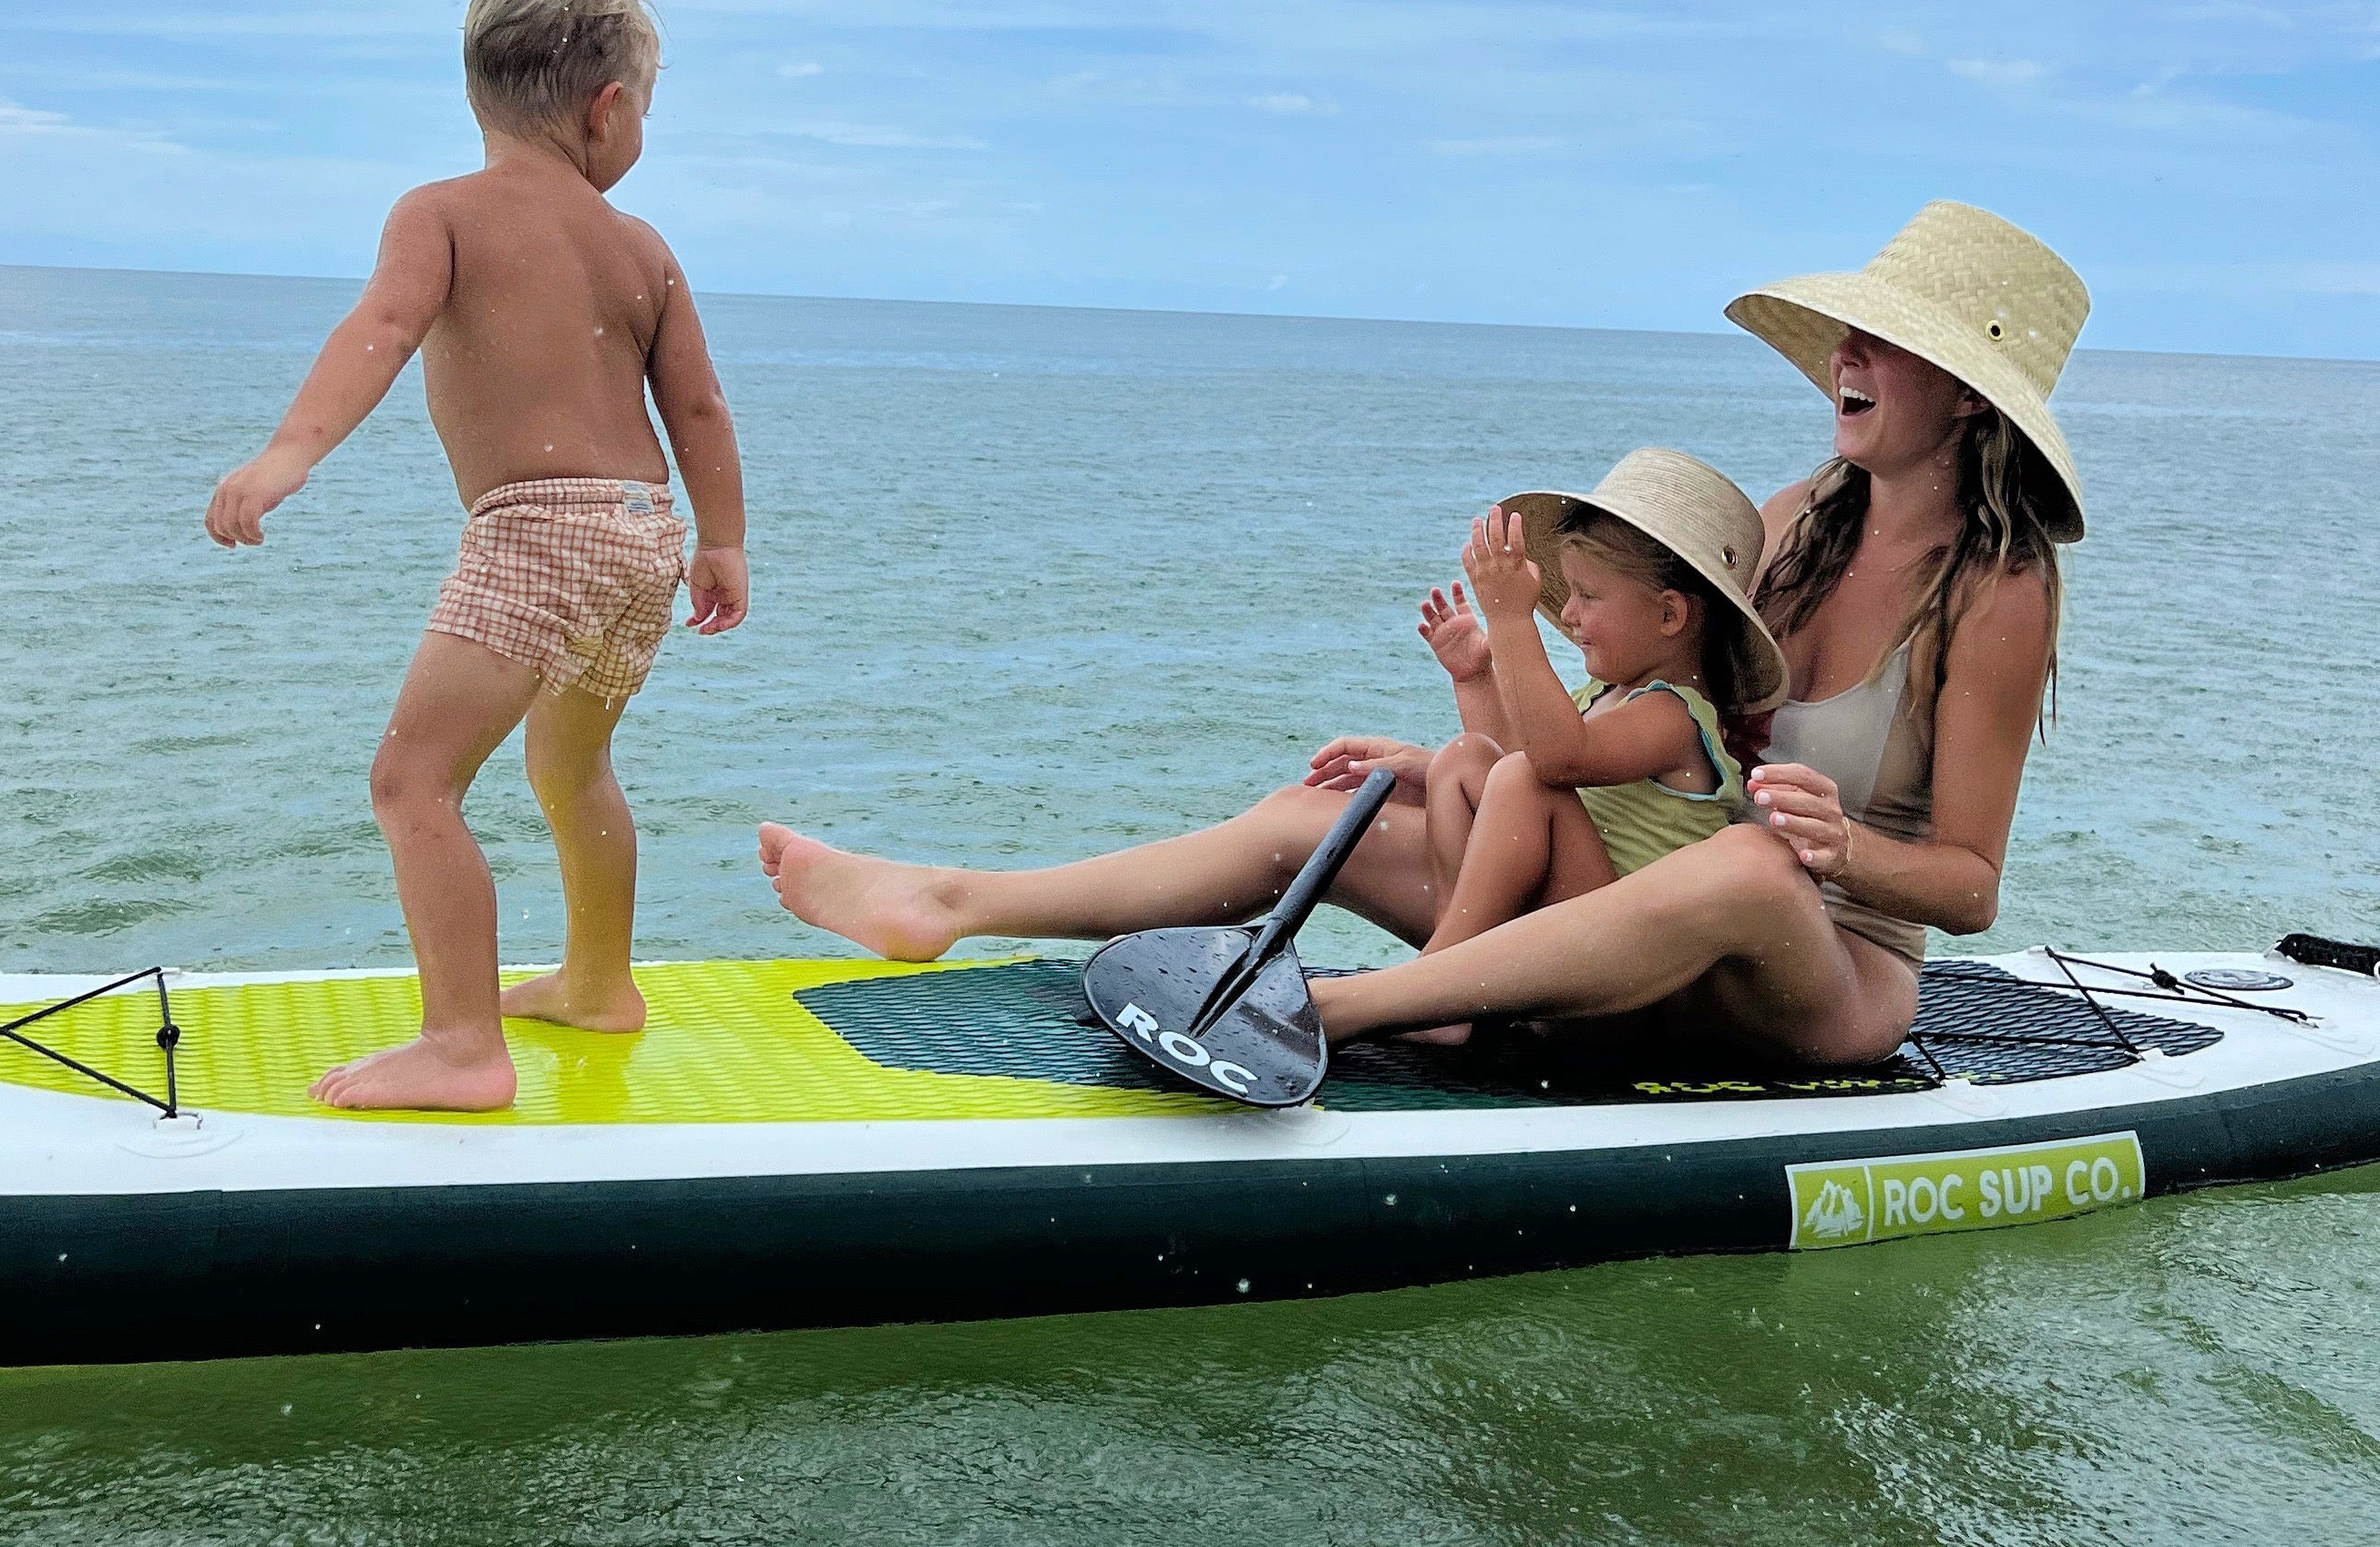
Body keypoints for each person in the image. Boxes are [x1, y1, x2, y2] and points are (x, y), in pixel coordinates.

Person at [759, 200, 2084, 1073]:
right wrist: (1470, 741)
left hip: (1819, 976)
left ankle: (1334, 1006)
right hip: (1650, 912)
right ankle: (951, 900)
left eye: (1887, 342)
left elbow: (1969, 884)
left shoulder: (1995, 592)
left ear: (1968, 398)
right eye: (1854, 331)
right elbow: (1641, 745)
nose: (1849, 352)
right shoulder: (1790, 521)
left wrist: (1841, 847)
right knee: (1322, 808)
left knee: (1745, 872)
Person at [207, 0, 750, 1111]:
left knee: (413, 780)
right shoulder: (641, 245)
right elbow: (697, 405)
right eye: (647, 108)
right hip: (642, 527)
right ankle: (600, 985)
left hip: (539, 529)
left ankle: (461, 1046)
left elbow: (383, 326)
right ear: (608, 109)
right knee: (573, 763)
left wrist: (289, 451)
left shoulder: (440, 212)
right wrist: (724, 539)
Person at [1308, 453, 1786, 1025]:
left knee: (1516, 776)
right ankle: (1455, 977)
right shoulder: (1601, 699)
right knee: (1464, 762)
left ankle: (1428, 992)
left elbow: (1554, 763)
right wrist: (1477, 676)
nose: (1568, 611)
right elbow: (1518, 766)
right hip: (1559, 938)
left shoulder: (1674, 715)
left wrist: (1512, 621)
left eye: (1588, 595)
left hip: (1618, 970)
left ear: (1668, 614)